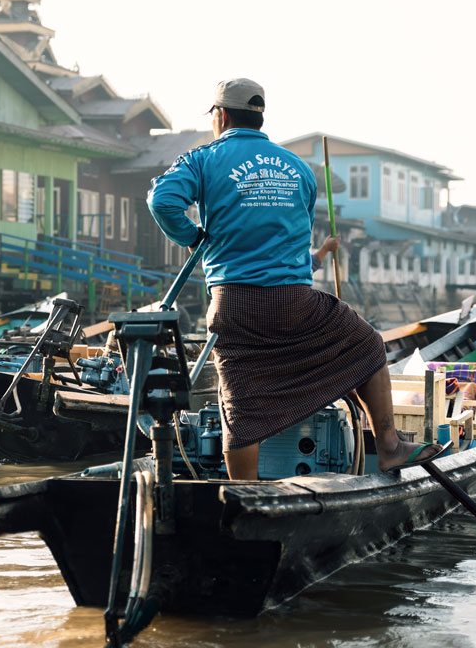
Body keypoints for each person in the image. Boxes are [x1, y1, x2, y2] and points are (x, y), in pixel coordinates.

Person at [146, 78, 443, 480]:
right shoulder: (298, 168)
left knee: (241, 401)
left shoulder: (203, 159)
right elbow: (294, 235)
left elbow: (161, 200)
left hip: (234, 302)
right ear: (259, 117)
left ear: (221, 115)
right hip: (294, 302)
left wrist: (193, 237)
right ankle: (388, 446)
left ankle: (244, 493)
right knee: (367, 346)